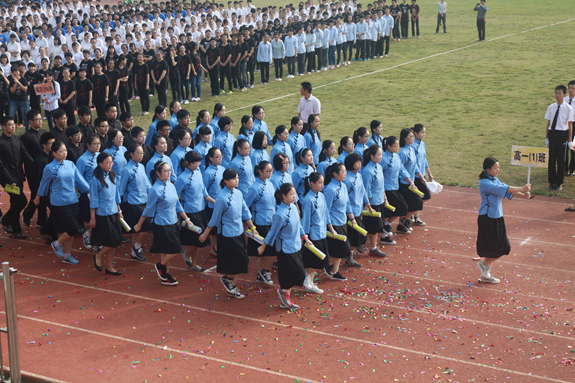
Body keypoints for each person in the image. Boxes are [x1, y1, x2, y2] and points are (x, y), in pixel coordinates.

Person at [199, 169, 258, 300]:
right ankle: (227, 279)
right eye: (233, 179)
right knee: (241, 259)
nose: (237, 180)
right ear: (226, 181)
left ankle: (232, 287)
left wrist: (252, 227)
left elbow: (245, 211)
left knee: (235, 262)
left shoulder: (238, 193)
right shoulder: (221, 198)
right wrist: (205, 234)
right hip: (227, 234)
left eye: (237, 178)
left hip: (239, 232)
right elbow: (214, 219)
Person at [135, 161, 191, 286]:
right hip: (161, 224)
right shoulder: (155, 190)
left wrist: (186, 219)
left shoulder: (171, 185)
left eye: (169, 170)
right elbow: (148, 208)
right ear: (158, 173)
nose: (168, 173)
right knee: (176, 248)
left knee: (166, 250)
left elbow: (177, 204)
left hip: (173, 222)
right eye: (165, 171)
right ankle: (160, 266)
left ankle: (165, 276)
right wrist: (139, 224)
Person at [477, 157, 531, 283]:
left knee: (495, 247)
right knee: (502, 247)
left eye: (498, 167)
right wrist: (523, 188)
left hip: (496, 217)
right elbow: (505, 189)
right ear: (487, 169)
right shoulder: (485, 183)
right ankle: (484, 265)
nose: (498, 170)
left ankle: (486, 274)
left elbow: (505, 190)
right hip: (488, 218)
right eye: (495, 168)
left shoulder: (494, 180)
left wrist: (523, 196)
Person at [35, 140, 90, 264]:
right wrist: (38, 197)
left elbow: (80, 180)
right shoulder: (49, 168)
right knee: (73, 228)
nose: (64, 153)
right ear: (54, 153)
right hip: (59, 203)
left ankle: (67, 255)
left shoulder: (70, 164)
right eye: (61, 151)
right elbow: (44, 184)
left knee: (67, 230)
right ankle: (57, 243)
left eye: (65, 150)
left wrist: (89, 192)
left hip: (73, 201)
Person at [258, 183, 308, 309]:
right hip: (285, 248)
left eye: (295, 194)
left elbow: (299, 225)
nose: (294, 196)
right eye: (291, 194)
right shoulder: (279, 214)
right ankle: (284, 294)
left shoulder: (294, 208)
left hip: (296, 245)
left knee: (297, 274)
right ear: (284, 196)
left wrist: (305, 237)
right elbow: (272, 232)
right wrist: (263, 246)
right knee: (295, 273)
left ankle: (284, 295)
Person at [176, 151, 214, 272]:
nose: (197, 165)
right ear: (187, 163)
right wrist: (182, 216)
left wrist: (214, 202)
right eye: (194, 163)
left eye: (198, 162)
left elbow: (204, 192)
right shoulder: (182, 178)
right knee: (200, 238)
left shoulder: (198, 173)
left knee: (197, 240)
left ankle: (193, 264)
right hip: (189, 212)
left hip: (201, 210)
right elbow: (175, 197)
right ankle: (186, 253)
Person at [90, 152, 123, 276]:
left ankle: (110, 266)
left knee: (113, 243)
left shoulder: (112, 174)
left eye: (111, 162)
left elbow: (116, 194)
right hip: (103, 214)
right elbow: (93, 199)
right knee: (113, 241)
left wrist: (119, 210)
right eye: (107, 163)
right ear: (100, 164)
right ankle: (98, 256)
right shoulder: (96, 179)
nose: (110, 165)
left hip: (113, 211)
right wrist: (93, 218)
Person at [0, 116, 34, 238]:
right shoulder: (1, 142)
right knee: (21, 200)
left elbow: (24, 154)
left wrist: (35, 164)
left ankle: (16, 230)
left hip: (19, 176)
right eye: (10, 124)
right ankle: (5, 220)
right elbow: (1, 166)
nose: (13, 126)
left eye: (14, 124)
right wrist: (10, 180)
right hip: (7, 180)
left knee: (15, 201)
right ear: (3, 127)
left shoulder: (17, 139)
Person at [118, 143, 152, 261]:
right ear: (131, 155)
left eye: (142, 153)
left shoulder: (141, 167)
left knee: (137, 228)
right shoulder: (126, 170)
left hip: (144, 201)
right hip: (133, 203)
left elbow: (147, 185)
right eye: (138, 153)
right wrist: (119, 207)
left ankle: (134, 252)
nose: (141, 155)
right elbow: (121, 190)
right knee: (146, 226)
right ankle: (137, 246)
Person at [245, 160, 277, 284]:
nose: (270, 173)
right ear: (260, 172)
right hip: (261, 222)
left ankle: (263, 271)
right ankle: (262, 272)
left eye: (271, 171)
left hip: (271, 221)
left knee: (272, 251)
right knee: (265, 251)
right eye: (267, 171)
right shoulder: (254, 188)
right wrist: (250, 225)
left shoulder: (270, 184)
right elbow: (246, 206)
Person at [323, 163, 356, 281]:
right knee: (343, 249)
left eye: (345, 171)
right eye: (342, 172)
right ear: (335, 174)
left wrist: (352, 219)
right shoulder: (330, 190)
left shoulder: (343, 186)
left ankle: (334, 271)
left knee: (340, 251)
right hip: (334, 223)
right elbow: (326, 210)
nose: (345, 174)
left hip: (342, 221)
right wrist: (330, 226)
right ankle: (322, 266)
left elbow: (347, 204)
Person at [300, 172, 330, 293]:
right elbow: (306, 219)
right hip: (314, 235)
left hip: (322, 232)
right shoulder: (308, 199)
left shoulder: (321, 196)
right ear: (312, 184)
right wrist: (305, 237)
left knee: (318, 260)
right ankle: (306, 277)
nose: (322, 185)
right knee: (320, 261)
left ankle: (310, 284)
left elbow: (326, 213)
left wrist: (330, 227)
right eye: (319, 183)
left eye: (323, 182)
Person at [545, 85, 574, 190]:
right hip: (553, 133)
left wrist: (570, 140)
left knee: (561, 160)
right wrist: (546, 137)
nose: (557, 95)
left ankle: (559, 183)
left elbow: (570, 124)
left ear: (564, 95)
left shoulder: (568, 108)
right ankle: (551, 182)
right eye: (556, 93)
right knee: (551, 159)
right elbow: (549, 122)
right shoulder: (551, 107)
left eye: (560, 93)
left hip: (562, 134)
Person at [381, 136, 411, 235]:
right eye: (395, 146)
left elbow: (402, 170)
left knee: (401, 208)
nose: (397, 148)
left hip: (395, 187)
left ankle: (386, 224)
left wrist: (411, 183)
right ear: (388, 146)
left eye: (398, 146)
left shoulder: (396, 156)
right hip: (387, 188)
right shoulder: (383, 159)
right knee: (400, 207)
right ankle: (385, 226)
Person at [397, 128, 424, 233]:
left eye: (413, 136)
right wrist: (410, 182)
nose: (413, 138)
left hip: (411, 181)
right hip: (405, 183)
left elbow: (415, 165)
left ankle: (403, 223)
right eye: (410, 136)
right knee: (416, 203)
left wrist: (420, 176)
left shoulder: (411, 149)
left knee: (413, 204)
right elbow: (401, 169)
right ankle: (404, 221)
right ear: (405, 138)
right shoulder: (402, 152)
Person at [77, 134, 101, 250]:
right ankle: (90, 237)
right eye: (94, 144)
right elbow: (79, 178)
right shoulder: (82, 160)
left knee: (101, 216)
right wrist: (87, 191)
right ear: (88, 145)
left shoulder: (100, 156)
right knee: (93, 218)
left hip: (101, 191)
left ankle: (92, 237)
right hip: (88, 193)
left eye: (99, 144)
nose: (97, 146)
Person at [203, 147, 226, 258]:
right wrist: (212, 201)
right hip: (212, 205)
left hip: (221, 203)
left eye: (221, 156)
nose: (220, 158)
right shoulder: (208, 173)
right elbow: (204, 190)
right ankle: (213, 247)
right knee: (214, 227)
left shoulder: (222, 169)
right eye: (217, 157)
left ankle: (217, 246)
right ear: (211, 158)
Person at [412, 124, 434, 225]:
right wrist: (420, 175)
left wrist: (429, 172)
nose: (424, 134)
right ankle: (413, 215)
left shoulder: (422, 144)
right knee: (424, 196)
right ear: (415, 133)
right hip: (415, 176)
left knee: (423, 197)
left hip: (422, 175)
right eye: (422, 133)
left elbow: (424, 159)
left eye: (425, 132)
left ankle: (414, 215)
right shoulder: (412, 145)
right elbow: (413, 162)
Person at [9, 66, 30, 131]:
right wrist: (15, 83)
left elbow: (25, 89)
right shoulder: (11, 81)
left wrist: (18, 82)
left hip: (23, 100)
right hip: (14, 101)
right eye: (14, 72)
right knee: (11, 116)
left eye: (17, 71)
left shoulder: (23, 79)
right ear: (12, 73)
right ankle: (10, 131)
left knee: (25, 116)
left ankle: (27, 130)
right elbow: (12, 91)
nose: (16, 73)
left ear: (19, 72)